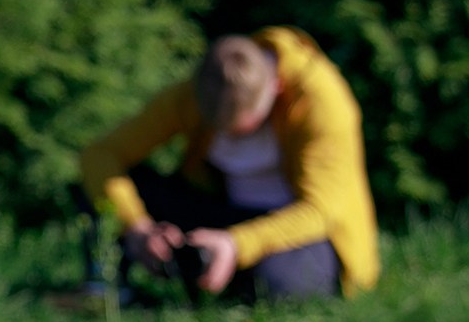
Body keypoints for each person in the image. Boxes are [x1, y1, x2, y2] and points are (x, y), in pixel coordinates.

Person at [78, 28, 380, 303]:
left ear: (275, 87)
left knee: (277, 283)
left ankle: (215, 284)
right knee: (109, 186)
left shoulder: (321, 101)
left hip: (300, 231)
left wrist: (237, 244)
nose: (228, 137)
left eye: (241, 130)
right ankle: (110, 289)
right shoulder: (197, 94)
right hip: (223, 213)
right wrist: (138, 227)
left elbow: (320, 209)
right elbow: (100, 155)